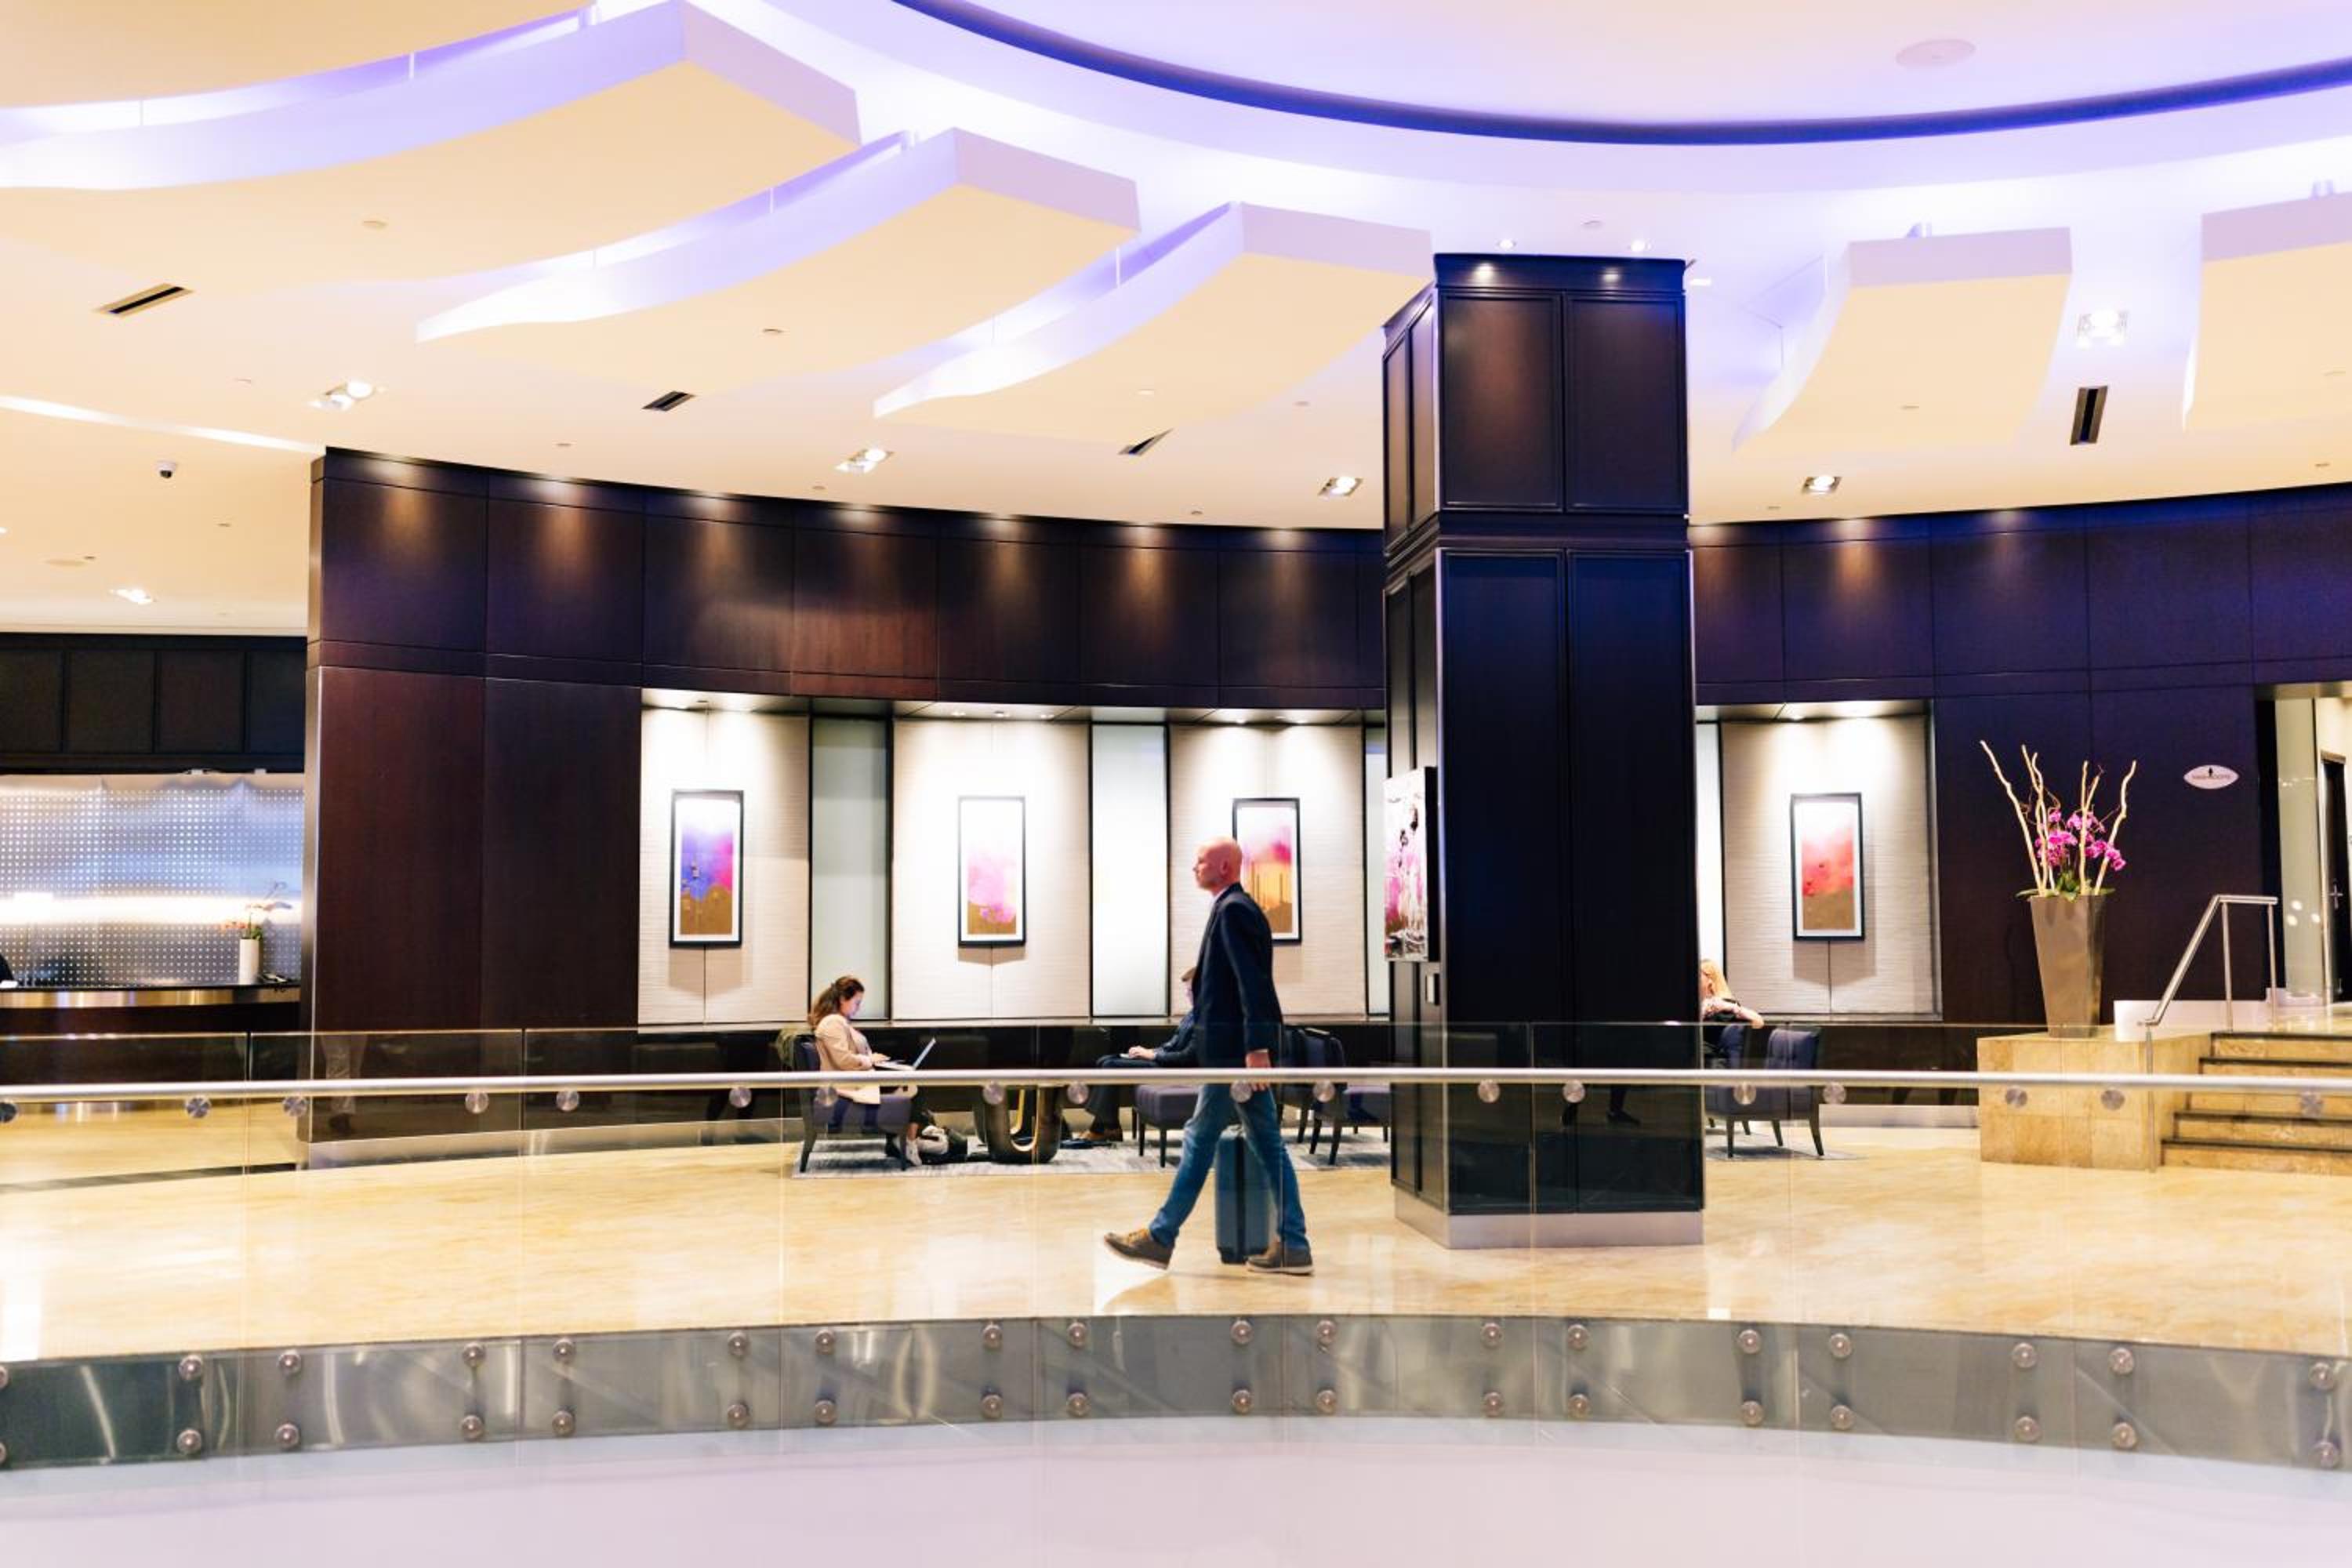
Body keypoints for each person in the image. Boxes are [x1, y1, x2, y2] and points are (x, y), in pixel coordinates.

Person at [1104, 838, 1311, 1274]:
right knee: (1260, 1143)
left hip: (1234, 1057)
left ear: (1224, 866)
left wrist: (1257, 1049)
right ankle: (1293, 1244)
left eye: (1201, 861)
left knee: (1203, 1139)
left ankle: (1162, 1236)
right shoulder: (1230, 907)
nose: (1194, 867)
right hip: (1232, 1055)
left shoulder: (1234, 910)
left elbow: (1253, 983)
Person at [807, 975, 937, 1166]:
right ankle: (908, 1142)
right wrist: (869, 1060)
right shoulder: (833, 1022)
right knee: (914, 1085)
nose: (858, 1008)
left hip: (856, 1079)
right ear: (842, 999)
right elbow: (844, 1060)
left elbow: (849, 1055)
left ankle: (903, 1141)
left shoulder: (838, 1021)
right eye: (857, 1002)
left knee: (910, 1080)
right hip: (847, 1085)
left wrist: (872, 1059)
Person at [1068, 967, 1199, 1149]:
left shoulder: (1204, 1017)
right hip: (1164, 1060)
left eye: (1190, 991)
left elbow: (1188, 1057)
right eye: (1187, 991)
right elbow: (1172, 1044)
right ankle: (1110, 1125)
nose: (1187, 995)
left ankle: (1102, 1128)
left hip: (1174, 1068)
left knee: (1111, 1066)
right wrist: (1148, 1051)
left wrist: (1153, 1055)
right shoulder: (1193, 1013)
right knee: (1105, 1060)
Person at [1699, 959, 1764, 1027]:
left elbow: (1758, 1021)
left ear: (1710, 979)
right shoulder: (1702, 1005)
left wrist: (1731, 1007)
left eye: (1699, 975)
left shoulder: (1725, 1006)